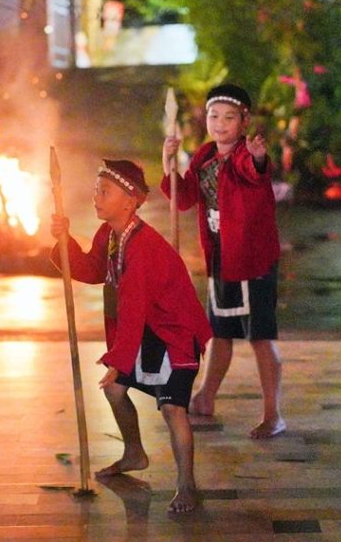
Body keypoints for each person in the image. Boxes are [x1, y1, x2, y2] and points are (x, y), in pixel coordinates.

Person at [50, 159, 212, 513]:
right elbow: (93, 269)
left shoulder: (143, 246)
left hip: (174, 333)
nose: (96, 197)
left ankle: (187, 484)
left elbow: (134, 305)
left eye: (104, 191)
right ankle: (134, 453)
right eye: (96, 189)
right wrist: (65, 242)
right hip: (147, 330)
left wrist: (118, 358)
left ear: (130, 200)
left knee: (173, 408)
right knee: (113, 388)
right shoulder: (109, 234)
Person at [161, 83, 285, 438]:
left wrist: (259, 156)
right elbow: (183, 199)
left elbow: (255, 169)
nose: (219, 123)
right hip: (220, 258)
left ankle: (273, 413)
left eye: (229, 118)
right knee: (220, 332)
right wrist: (169, 163)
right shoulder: (203, 157)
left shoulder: (246, 156)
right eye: (214, 116)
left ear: (244, 123)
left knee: (260, 337)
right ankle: (205, 397)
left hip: (252, 259)